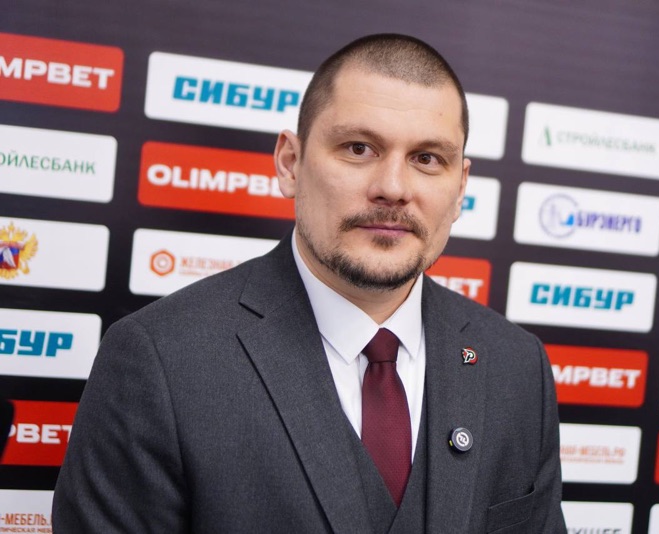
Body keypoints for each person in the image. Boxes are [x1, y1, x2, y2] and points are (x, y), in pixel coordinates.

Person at [53, 34, 566, 533]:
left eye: (427, 159)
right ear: (290, 164)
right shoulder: (160, 359)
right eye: (359, 148)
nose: (393, 188)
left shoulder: (516, 367)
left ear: (460, 188)